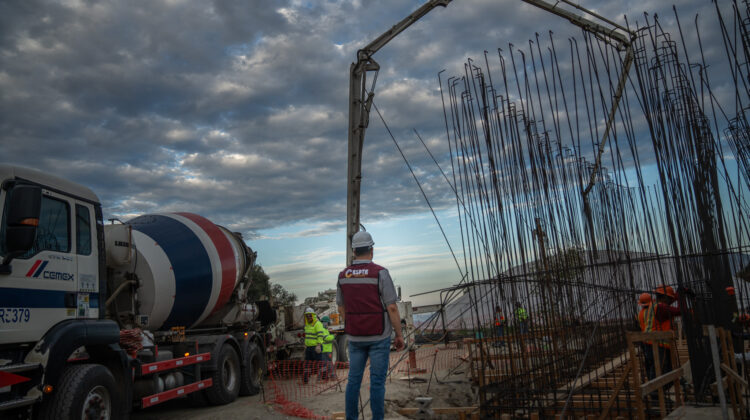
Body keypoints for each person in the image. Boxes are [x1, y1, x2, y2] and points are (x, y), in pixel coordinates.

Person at [337, 231, 405, 420]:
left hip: (355, 337)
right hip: (379, 336)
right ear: (371, 250)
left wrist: (352, 323)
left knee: (353, 381)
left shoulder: (343, 276)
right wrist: (399, 335)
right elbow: (391, 307)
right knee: (376, 383)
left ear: (354, 252)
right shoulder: (380, 273)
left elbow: (340, 306)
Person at [652, 285, 681, 389]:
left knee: (663, 369)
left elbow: (669, 305)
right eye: (669, 298)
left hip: (658, 343)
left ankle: (665, 390)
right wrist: (681, 297)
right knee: (663, 369)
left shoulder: (657, 305)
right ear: (664, 297)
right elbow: (679, 311)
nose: (670, 300)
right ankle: (660, 392)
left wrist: (677, 295)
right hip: (660, 343)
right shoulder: (661, 307)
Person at [303, 307, 326, 384]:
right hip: (309, 348)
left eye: (310, 315)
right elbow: (307, 336)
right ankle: (305, 380)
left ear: (313, 315)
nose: (308, 317)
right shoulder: (307, 325)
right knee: (307, 363)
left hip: (316, 347)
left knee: (320, 363)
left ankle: (324, 377)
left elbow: (320, 335)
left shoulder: (318, 324)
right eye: (307, 315)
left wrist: (319, 345)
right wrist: (305, 345)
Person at [637, 292, 656, 380]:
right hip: (650, 340)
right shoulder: (651, 311)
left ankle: (649, 379)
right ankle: (653, 382)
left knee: (648, 361)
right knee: (653, 362)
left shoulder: (640, 313)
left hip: (644, 340)